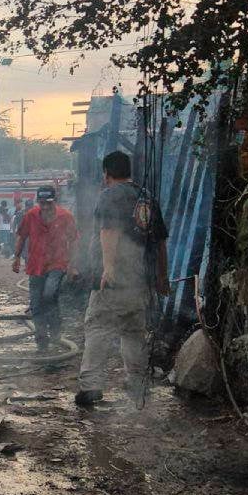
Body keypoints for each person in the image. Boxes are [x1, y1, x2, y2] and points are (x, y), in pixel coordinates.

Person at [76, 151, 170, 407]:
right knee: (134, 332)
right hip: (141, 282)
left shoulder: (110, 195)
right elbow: (160, 241)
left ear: (106, 173)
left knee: (98, 327)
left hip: (114, 282)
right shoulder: (146, 197)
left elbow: (109, 230)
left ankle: (90, 387)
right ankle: (137, 383)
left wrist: (108, 268)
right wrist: (162, 276)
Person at [12, 186, 78, 351]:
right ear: (38, 203)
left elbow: (74, 240)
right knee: (36, 304)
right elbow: (22, 236)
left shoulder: (66, 216)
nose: (45, 207)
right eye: (42, 203)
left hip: (57, 263)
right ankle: (42, 341)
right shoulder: (31, 215)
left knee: (49, 294)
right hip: (36, 265)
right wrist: (16, 257)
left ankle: (55, 330)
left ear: (55, 201)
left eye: (49, 203)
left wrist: (72, 265)